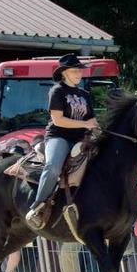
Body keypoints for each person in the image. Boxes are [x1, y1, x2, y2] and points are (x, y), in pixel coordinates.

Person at [25, 53, 99, 229]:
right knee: (53, 167)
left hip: (81, 138)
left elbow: (92, 121)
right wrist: (84, 124)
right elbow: (58, 120)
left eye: (80, 71)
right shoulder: (57, 91)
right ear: (64, 72)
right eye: (75, 71)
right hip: (59, 137)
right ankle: (38, 205)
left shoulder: (84, 94)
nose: (79, 74)